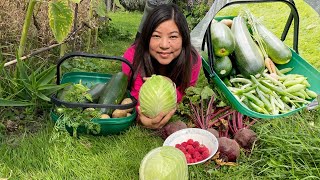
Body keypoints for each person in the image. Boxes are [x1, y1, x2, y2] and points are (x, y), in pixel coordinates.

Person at [122, 3, 202, 129]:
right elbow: (136, 97)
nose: (164, 45)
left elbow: (185, 94)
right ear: (147, 37)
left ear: (184, 38)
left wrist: (171, 85)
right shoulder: (132, 57)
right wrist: (140, 117)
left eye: (173, 36)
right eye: (156, 36)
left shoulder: (192, 61)